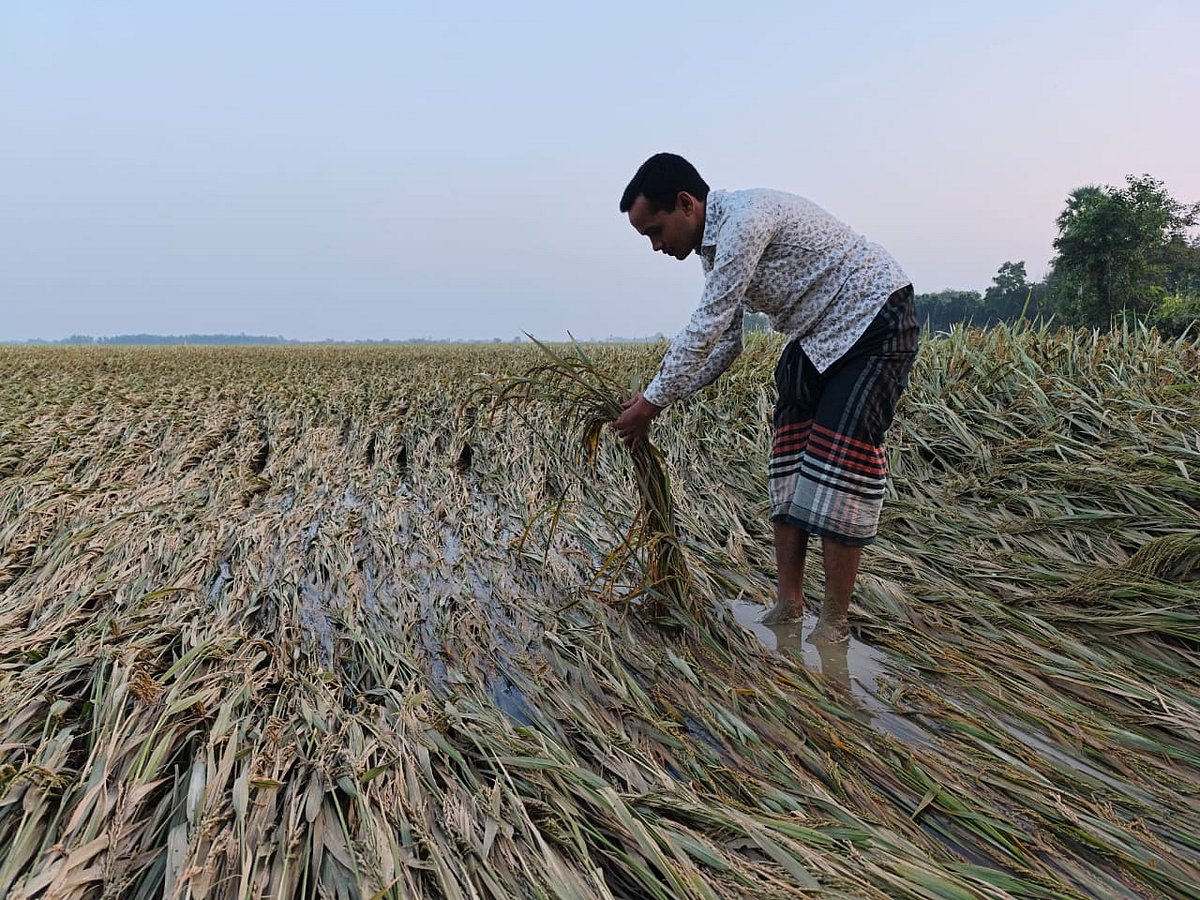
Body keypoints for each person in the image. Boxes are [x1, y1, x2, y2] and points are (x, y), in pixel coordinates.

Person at [612, 153, 918, 643]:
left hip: (874, 320)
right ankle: (788, 605)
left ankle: (834, 623)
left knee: (842, 467)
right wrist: (660, 400)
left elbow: (707, 326)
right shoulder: (714, 253)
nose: (655, 246)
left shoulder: (744, 222)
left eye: (655, 230)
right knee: (788, 461)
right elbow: (727, 344)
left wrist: (649, 401)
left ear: (687, 204)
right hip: (815, 334)